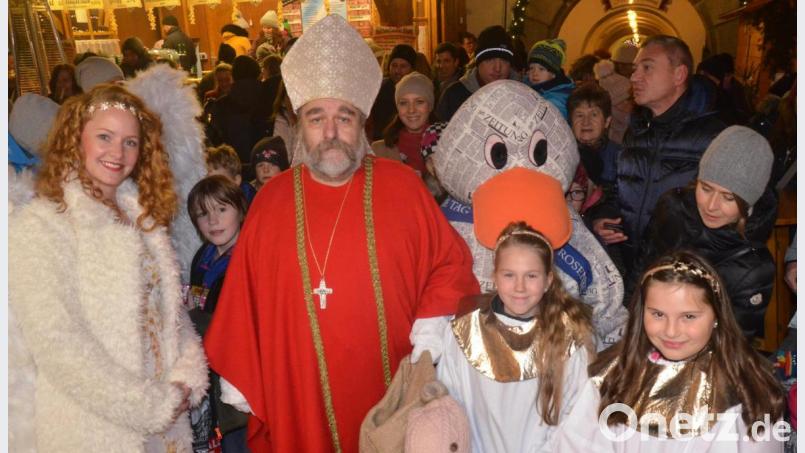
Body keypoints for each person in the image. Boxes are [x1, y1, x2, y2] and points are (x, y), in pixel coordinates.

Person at [202, 15, 479, 453]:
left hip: (392, 388)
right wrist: (246, 381)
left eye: (343, 117)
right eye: (317, 118)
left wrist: (429, 331)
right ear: (299, 125)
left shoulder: (403, 188)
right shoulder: (272, 202)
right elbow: (242, 302)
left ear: (362, 123)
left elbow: (451, 265)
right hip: (298, 392)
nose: (330, 134)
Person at [8, 83, 208, 452]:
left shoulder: (142, 218)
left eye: (130, 141)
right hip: (95, 428)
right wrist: (147, 405)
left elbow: (169, 314)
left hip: (164, 423)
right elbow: (57, 344)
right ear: (76, 138)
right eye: (105, 137)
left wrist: (187, 375)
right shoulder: (42, 225)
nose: (118, 152)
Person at [554, 251, 786, 452]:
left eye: (689, 316)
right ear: (641, 313)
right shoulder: (612, 377)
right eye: (658, 314)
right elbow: (577, 444)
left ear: (717, 315)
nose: (671, 331)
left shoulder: (746, 387)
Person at [437, 222, 595, 452]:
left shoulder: (569, 338)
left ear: (548, 281)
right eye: (509, 275)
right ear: (495, 276)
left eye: (531, 276)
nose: (520, 287)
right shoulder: (465, 331)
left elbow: (577, 419)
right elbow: (450, 405)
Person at [589, 35, 726, 281]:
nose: (634, 77)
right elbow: (621, 189)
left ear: (679, 75)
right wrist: (603, 217)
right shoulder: (637, 131)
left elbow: (737, 216)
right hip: (635, 271)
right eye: (634, 69)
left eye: (647, 67)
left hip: (685, 277)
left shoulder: (713, 137)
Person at [634, 126, 776, 341]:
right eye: (706, 189)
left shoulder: (754, 266)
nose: (711, 206)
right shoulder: (672, 209)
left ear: (749, 202)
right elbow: (640, 275)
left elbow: (733, 341)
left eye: (728, 198)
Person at [185, 175, 250, 453]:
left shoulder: (249, 258)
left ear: (240, 210)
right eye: (203, 214)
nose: (213, 221)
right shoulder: (204, 255)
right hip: (208, 371)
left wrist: (193, 317)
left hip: (239, 379)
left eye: (222, 209)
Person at [437, 25, 514, 121]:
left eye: (504, 60)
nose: (498, 68)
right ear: (478, 63)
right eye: (490, 59)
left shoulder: (520, 96)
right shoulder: (453, 96)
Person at [371, 72, 437, 175]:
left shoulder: (445, 148)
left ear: (430, 106)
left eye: (419, 102)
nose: (411, 110)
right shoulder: (380, 151)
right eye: (404, 103)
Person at [369, 44, 417, 140]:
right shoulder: (379, 88)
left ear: (412, 69)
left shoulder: (418, 90)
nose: (397, 71)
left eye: (403, 66)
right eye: (394, 65)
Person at [525, 38, 575, 118]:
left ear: (553, 74)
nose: (535, 73)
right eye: (531, 68)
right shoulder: (528, 87)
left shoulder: (559, 97)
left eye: (541, 69)